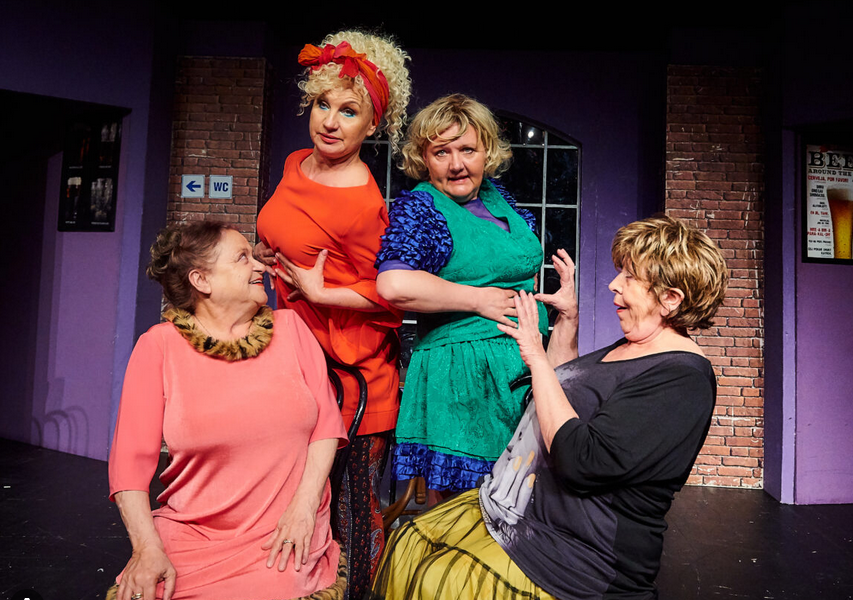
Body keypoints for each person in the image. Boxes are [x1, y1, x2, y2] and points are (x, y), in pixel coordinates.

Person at [368, 215, 729, 600]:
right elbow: (563, 391)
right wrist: (567, 320)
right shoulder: (633, 346)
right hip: (512, 509)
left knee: (439, 581)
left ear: (671, 299)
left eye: (630, 277)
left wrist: (535, 356)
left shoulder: (683, 380)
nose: (613, 284)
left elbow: (581, 461)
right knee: (410, 547)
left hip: (570, 554)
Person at [108, 221, 348, 600]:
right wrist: (146, 547)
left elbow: (326, 429)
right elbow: (129, 465)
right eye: (242, 258)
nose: (260, 266)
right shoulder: (159, 347)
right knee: (149, 589)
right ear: (201, 280)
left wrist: (304, 508)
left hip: (282, 528)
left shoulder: (291, 329)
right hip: (193, 530)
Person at [254, 30, 411, 599]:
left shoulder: (365, 203)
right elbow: (290, 234)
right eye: (323, 104)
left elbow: (393, 295)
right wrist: (268, 254)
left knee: (352, 515)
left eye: (349, 112)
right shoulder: (296, 164)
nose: (330, 121)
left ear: (373, 125)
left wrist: (323, 295)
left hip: (353, 378)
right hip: (294, 364)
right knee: (293, 502)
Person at [375, 94, 547, 500]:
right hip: (461, 376)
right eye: (442, 152)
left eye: (468, 149)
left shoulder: (498, 199)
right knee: (464, 507)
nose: (456, 164)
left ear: (487, 152)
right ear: (424, 158)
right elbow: (393, 285)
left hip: (518, 368)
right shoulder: (423, 208)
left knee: (520, 502)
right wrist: (478, 300)